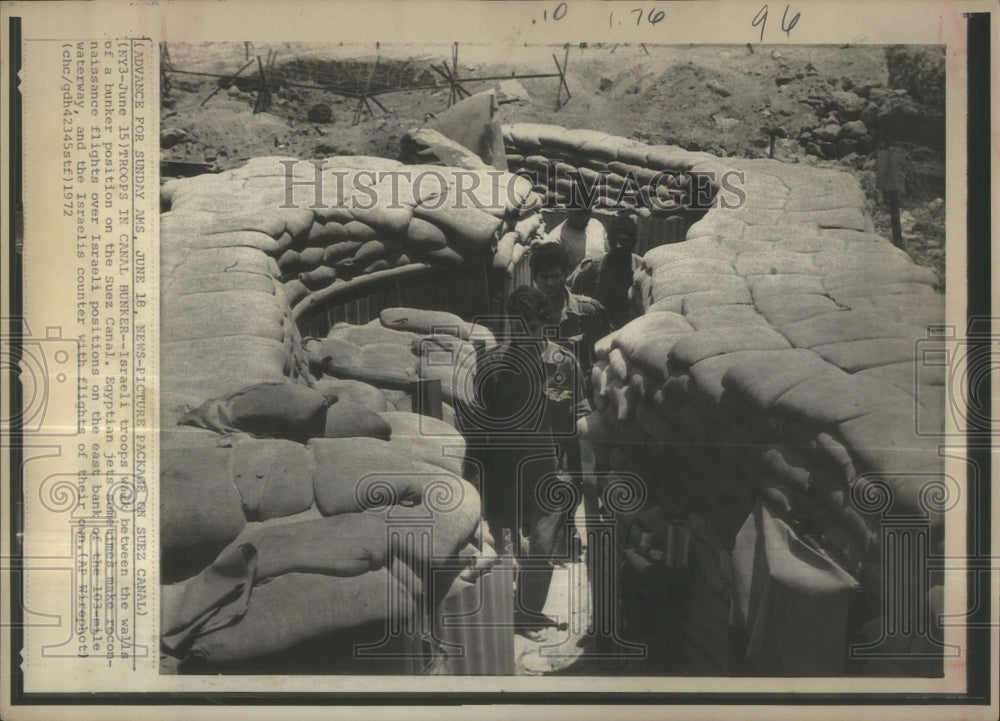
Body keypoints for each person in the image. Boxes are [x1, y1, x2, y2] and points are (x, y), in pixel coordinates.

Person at [467, 286, 590, 639]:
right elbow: (479, 425)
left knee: (542, 546)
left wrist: (581, 473)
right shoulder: (492, 366)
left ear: (545, 325)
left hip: (551, 470)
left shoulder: (563, 362)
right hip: (506, 471)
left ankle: (528, 614)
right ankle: (505, 608)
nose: (527, 336)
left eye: (534, 329)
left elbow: (580, 411)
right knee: (504, 544)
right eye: (520, 328)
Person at [528, 241, 611, 382]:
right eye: (544, 277)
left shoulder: (587, 311)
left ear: (566, 274)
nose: (550, 283)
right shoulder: (526, 313)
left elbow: (600, 360)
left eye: (555, 276)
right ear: (535, 278)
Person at [567, 214, 643, 329]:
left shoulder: (641, 270)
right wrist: (590, 302)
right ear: (608, 240)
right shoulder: (593, 266)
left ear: (634, 242)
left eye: (623, 241)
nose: (618, 246)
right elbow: (568, 293)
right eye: (613, 240)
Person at [538, 206, 609, 271]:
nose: (584, 218)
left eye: (587, 213)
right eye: (579, 214)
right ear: (569, 210)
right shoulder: (556, 239)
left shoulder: (596, 225)